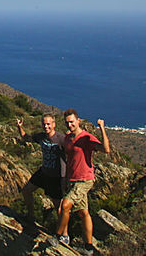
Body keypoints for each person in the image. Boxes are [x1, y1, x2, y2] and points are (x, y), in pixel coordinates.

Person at [51, 108, 110, 255]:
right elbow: (70, 160)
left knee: (65, 205)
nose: (70, 125)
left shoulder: (86, 138)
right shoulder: (67, 139)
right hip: (72, 179)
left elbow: (106, 149)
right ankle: (89, 248)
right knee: (83, 213)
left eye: (72, 122)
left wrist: (102, 129)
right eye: (67, 122)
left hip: (84, 179)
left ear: (78, 121)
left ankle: (57, 237)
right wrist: (66, 180)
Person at [15, 113, 65, 222]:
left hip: (56, 177)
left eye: (48, 124)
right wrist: (20, 127)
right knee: (26, 191)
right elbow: (26, 138)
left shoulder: (61, 139)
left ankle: (63, 232)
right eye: (44, 124)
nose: (46, 126)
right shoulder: (41, 136)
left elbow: (72, 154)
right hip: (44, 172)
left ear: (54, 124)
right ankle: (31, 216)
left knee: (58, 207)